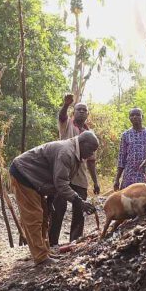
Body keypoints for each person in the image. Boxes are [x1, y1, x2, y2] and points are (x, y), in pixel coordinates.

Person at [9, 131, 99, 265]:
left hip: (37, 180)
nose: (91, 154)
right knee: (34, 217)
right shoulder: (66, 152)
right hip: (24, 175)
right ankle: (40, 257)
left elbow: (54, 177)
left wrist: (50, 200)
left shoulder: (74, 153)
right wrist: (79, 201)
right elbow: (61, 183)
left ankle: (45, 251)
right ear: (82, 143)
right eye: (91, 149)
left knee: (45, 216)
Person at [51, 93, 100, 246]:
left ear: (87, 114)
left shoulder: (89, 134)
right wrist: (66, 105)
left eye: (84, 110)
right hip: (64, 171)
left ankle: (75, 241)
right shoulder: (67, 125)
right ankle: (52, 242)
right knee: (59, 207)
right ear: (74, 112)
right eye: (78, 109)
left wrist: (96, 182)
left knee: (80, 209)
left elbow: (91, 161)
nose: (81, 112)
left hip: (80, 176)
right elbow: (61, 116)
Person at [114, 108, 146, 190]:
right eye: (132, 115)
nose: (135, 117)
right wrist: (117, 179)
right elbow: (121, 158)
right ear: (129, 118)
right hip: (129, 175)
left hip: (145, 174)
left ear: (142, 117)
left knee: (145, 199)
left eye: (137, 115)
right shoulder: (125, 135)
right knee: (127, 199)